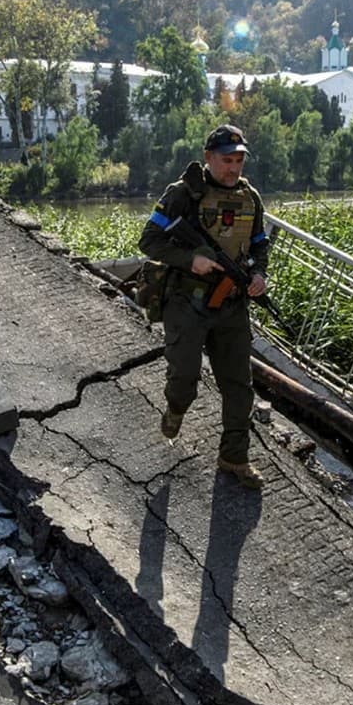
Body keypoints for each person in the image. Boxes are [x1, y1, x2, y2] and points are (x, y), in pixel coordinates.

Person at [138, 124, 271, 489]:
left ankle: (234, 457)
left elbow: (259, 244)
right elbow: (149, 240)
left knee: (239, 386)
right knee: (185, 377)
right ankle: (176, 408)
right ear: (209, 157)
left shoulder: (250, 198)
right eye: (226, 160)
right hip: (187, 299)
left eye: (239, 160)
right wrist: (188, 259)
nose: (233, 168)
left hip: (232, 304)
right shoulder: (182, 195)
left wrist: (259, 274)